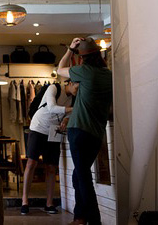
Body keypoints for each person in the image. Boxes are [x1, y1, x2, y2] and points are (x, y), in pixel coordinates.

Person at [56, 37, 113, 225]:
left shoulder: (84, 71)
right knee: (79, 175)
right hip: (96, 134)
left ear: (83, 58)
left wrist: (70, 49)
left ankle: (94, 221)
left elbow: (60, 70)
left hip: (79, 130)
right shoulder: (109, 75)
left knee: (83, 177)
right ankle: (80, 217)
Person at [20, 81, 78, 215]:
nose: (77, 90)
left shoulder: (73, 99)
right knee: (31, 163)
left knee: (51, 167)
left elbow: (67, 116)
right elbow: (51, 107)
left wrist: (65, 120)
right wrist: (73, 109)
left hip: (54, 130)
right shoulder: (54, 88)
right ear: (70, 83)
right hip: (38, 127)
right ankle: (24, 201)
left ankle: (49, 203)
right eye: (77, 86)